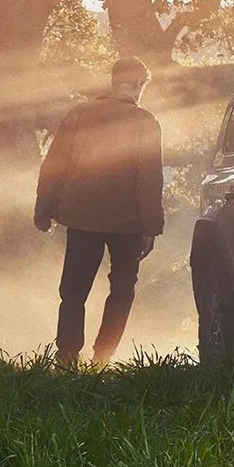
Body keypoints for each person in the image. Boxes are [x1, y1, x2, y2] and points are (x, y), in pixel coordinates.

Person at [34, 57, 164, 367]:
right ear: (139, 84)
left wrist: (44, 209)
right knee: (122, 288)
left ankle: (66, 357)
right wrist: (151, 227)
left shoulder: (79, 114)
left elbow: (55, 163)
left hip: (82, 216)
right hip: (128, 222)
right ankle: (103, 357)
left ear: (113, 80)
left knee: (74, 290)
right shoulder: (145, 121)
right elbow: (149, 179)